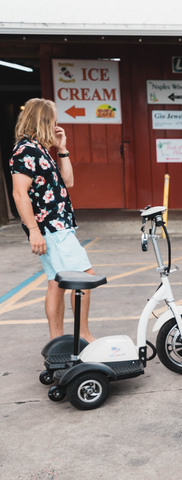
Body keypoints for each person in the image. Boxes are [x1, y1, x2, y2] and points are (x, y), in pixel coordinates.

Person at [10, 98, 97, 342]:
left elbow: (68, 182)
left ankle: (56, 342)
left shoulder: (39, 150)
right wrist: (34, 231)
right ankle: (84, 336)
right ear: (43, 121)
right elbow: (19, 193)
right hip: (51, 227)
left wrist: (62, 149)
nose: (56, 124)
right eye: (53, 119)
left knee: (56, 283)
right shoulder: (26, 150)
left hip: (58, 226)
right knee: (84, 276)